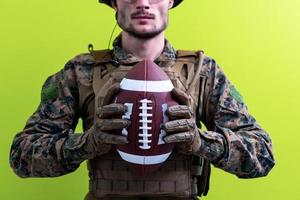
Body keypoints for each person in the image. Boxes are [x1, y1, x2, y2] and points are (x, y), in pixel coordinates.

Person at [9, 0, 275, 199]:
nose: (143, 2)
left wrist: (200, 141)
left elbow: (262, 155)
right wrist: (86, 143)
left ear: (171, 1)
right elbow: (21, 156)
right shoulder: (81, 72)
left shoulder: (201, 72)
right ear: (114, 2)